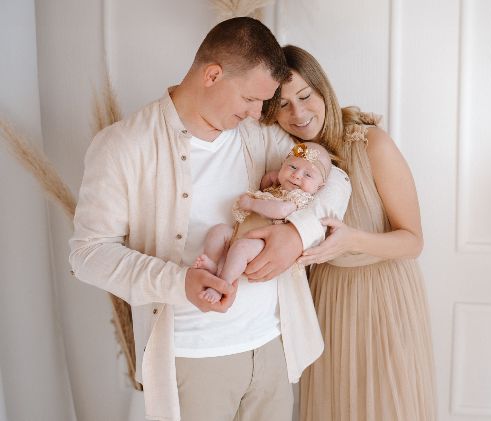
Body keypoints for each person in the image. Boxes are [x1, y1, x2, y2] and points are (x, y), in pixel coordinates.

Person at [69, 19, 350, 421]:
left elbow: (334, 178)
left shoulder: (257, 134)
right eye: (251, 99)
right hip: (194, 357)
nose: (258, 113)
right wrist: (178, 282)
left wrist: (296, 234)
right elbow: (88, 254)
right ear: (213, 75)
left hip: (272, 346)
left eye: (263, 102)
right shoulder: (124, 145)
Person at [262, 45, 437, 421]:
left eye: (305, 96)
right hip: (327, 299)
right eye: (283, 104)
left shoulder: (371, 144)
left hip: (384, 296)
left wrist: (351, 240)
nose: (298, 113)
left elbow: (413, 241)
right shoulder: (289, 160)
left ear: (323, 89)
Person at [196, 142, 332, 303]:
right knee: (218, 231)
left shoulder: (299, 198)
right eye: (292, 167)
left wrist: (251, 204)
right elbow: (265, 186)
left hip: (262, 244)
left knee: (240, 248)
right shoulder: (276, 188)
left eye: (308, 175)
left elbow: (281, 211)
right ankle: (212, 264)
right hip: (241, 232)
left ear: (319, 187)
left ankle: (222, 285)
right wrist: (273, 177)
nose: (296, 175)